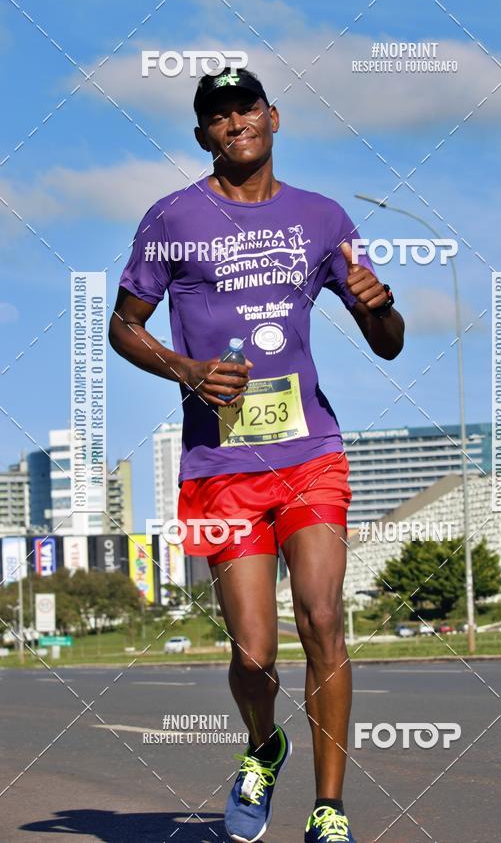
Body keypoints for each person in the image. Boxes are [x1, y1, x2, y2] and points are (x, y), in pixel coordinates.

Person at [109, 66, 404, 843]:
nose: (234, 120)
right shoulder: (170, 217)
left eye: (246, 107)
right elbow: (123, 325)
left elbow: (389, 347)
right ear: (202, 132)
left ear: (274, 118)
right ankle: (261, 744)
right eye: (217, 113)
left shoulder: (322, 217)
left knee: (322, 618)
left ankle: (330, 809)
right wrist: (185, 368)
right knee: (254, 653)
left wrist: (384, 307)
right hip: (221, 466)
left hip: (311, 451)